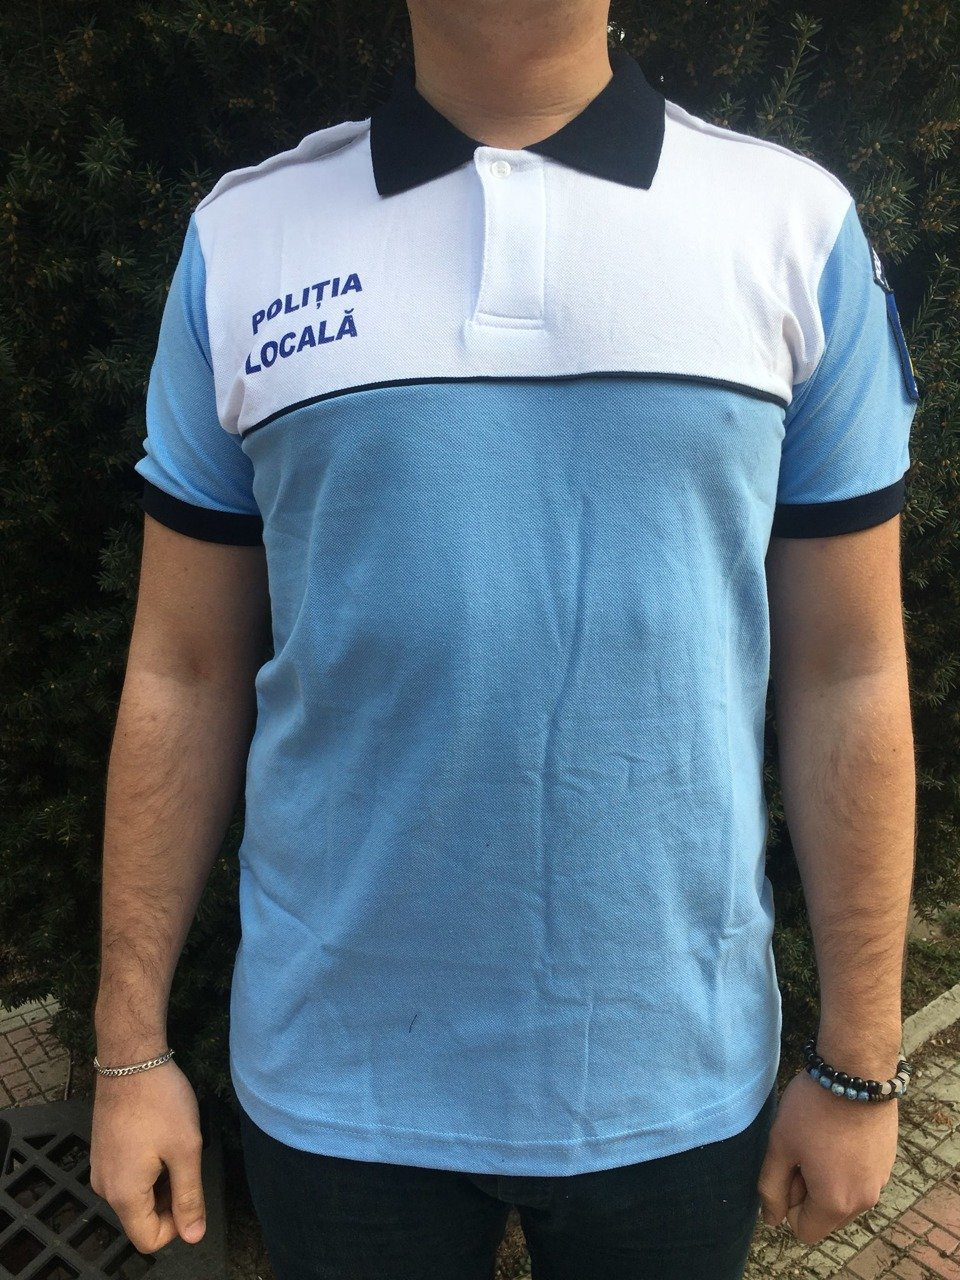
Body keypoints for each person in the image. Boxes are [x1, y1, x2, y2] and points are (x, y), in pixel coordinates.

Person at [89, 1, 920, 1277]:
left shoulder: (792, 227)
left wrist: (860, 1062)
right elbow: (182, 670)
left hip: (678, 1080)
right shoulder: (243, 238)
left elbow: (849, 670)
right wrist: (127, 1049)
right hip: (334, 1082)